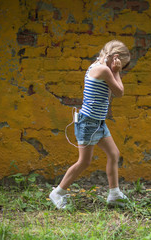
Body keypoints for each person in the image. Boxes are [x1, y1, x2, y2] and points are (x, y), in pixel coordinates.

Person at [49, 40, 131, 209]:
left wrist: (114, 70)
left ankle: (114, 194)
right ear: (115, 57)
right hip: (88, 123)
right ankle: (58, 193)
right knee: (84, 162)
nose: (121, 68)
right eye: (122, 64)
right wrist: (116, 72)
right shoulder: (104, 70)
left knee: (114, 154)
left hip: (97, 122)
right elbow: (119, 92)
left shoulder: (97, 65)